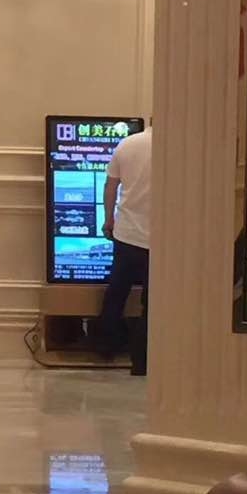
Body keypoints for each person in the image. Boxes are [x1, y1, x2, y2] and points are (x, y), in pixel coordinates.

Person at [97, 124, 152, 375]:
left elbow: (111, 186)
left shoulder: (127, 144)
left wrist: (109, 220)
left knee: (116, 292)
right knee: (151, 302)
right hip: (159, 238)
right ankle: (142, 362)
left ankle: (105, 347)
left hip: (127, 233)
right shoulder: (175, 148)